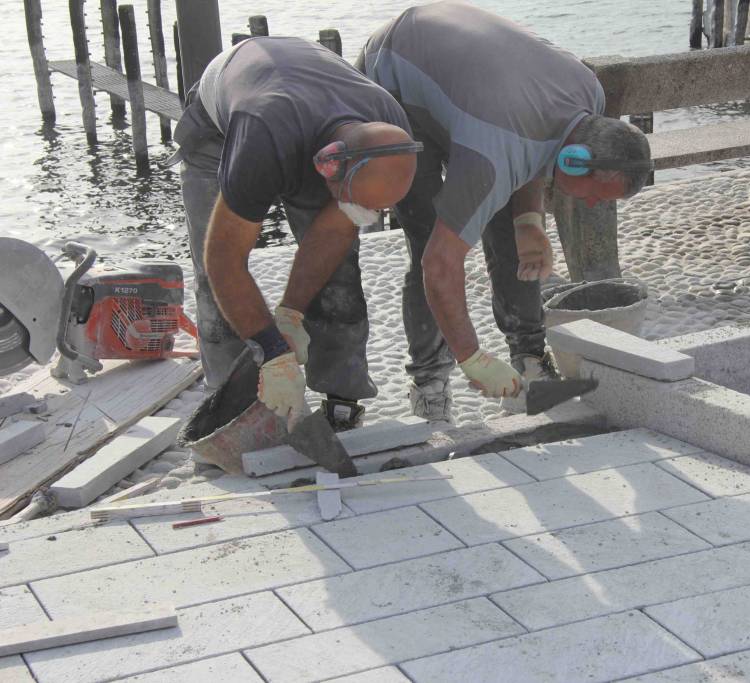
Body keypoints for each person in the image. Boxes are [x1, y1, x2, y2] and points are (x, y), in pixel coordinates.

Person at [358, 1, 652, 422]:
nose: (591, 204)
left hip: (471, 87)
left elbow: (540, 135)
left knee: (511, 233)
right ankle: (430, 382)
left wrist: (528, 222)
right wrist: (472, 358)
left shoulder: (589, 93)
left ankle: (530, 359)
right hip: (395, 78)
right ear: (574, 162)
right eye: (596, 195)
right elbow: (440, 265)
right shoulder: (494, 152)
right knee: (428, 239)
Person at [173, 36, 418, 431]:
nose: (361, 216)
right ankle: (231, 407)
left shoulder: (389, 126)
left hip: (311, 112)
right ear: (326, 168)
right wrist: (274, 353)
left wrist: (290, 312)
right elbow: (224, 260)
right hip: (222, 132)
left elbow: (332, 234)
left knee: (340, 271)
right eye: (356, 204)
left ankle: (342, 399)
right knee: (211, 278)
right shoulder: (261, 135)